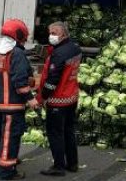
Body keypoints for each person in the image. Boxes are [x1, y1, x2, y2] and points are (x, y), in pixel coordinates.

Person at [0, 19, 39, 180]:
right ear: (19, 35)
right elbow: (20, 81)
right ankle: (7, 172)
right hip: (11, 107)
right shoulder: (16, 54)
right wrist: (31, 99)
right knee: (9, 139)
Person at [36, 21, 82, 176]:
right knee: (69, 130)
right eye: (50, 33)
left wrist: (42, 97)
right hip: (72, 97)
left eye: (54, 33)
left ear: (63, 34)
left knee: (55, 133)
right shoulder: (75, 48)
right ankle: (73, 163)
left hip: (58, 100)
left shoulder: (59, 53)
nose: (51, 36)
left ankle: (58, 166)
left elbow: (52, 80)